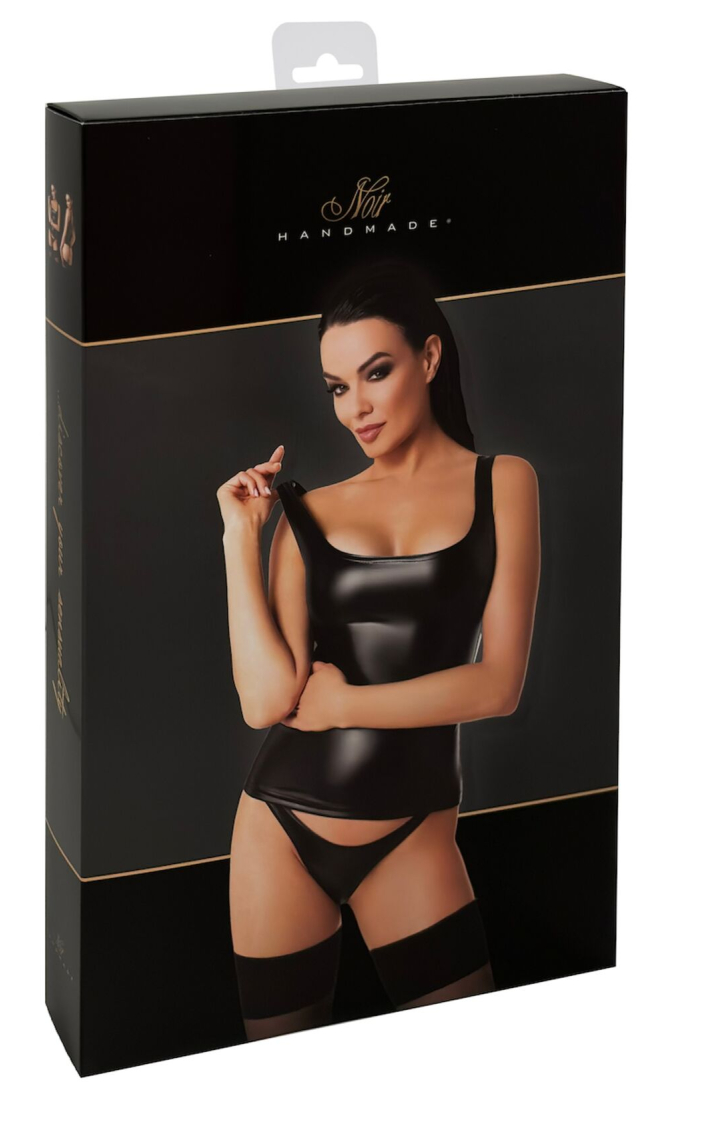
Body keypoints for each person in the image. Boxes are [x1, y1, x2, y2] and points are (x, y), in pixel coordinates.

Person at [217, 258, 541, 1043]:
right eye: (337, 387)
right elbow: (266, 702)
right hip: (280, 826)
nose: (354, 407)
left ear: (428, 358)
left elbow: (498, 685)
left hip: (412, 832)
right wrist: (239, 540)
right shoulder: (306, 514)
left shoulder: (503, 484)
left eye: (375, 373)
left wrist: (348, 706)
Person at [60, 193, 75, 267]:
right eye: (66, 201)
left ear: (72, 200)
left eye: (68, 200)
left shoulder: (68, 211)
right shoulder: (72, 212)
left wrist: (61, 247)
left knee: (64, 270)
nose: (67, 203)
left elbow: (65, 231)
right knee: (70, 271)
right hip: (70, 248)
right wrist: (70, 247)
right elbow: (74, 236)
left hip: (65, 245)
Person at [47, 184, 61, 262]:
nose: (53, 193)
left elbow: (58, 228)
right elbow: (49, 219)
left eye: (54, 190)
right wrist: (52, 223)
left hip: (56, 234)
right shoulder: (49, 201)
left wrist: (52, 223)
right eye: (52, 190)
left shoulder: (59, 206)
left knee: (56, 258)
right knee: (49, 255)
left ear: (57, 191)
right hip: (50, 231)